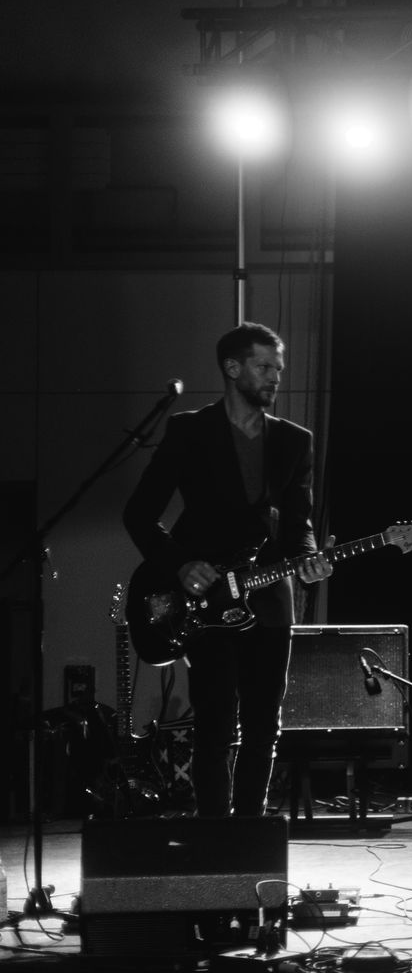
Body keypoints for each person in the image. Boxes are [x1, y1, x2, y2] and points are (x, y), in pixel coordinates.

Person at [124, 322, 331, 817]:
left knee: (264, 727)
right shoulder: (189, 430)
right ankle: (214, 833)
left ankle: (252, 833)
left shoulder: (294, 441)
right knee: (215, 724)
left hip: (270, 597)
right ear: (232, 368)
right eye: (264, 366)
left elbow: (298, 524)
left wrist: (309, 558)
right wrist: (180, 565)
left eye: (279, 368)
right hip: (207, 598)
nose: (275, 377)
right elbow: (139, 514)